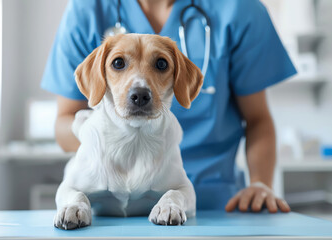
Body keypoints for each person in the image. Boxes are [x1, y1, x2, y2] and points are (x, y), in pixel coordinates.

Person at [41, 0, 295, 213]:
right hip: (107, 208)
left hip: (213, 203)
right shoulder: (88, 9)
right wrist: (102, 138)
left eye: (161, 65)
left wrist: (261, 183)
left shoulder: (239, 8)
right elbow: (66, 121)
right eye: (119, 63)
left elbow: (258, 119)